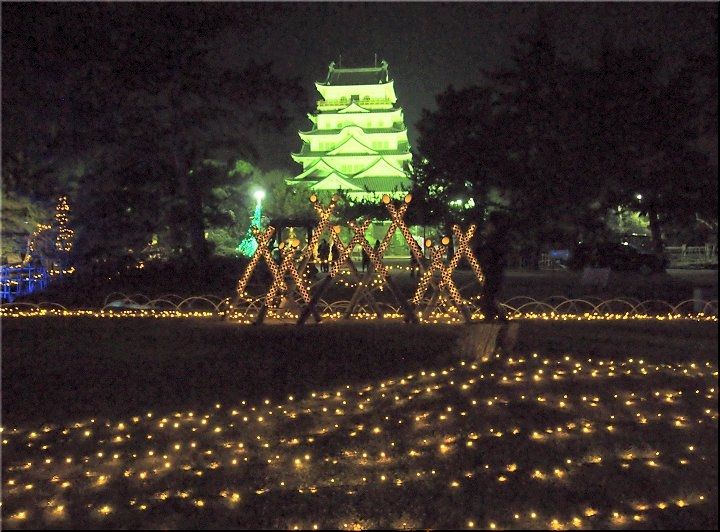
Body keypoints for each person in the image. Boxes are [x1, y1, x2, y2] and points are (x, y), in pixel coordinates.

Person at [478, 211, 509, 322]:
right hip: (493, 271)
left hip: (493, 271)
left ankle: (492, 316)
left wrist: (487, 262)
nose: (487, 227)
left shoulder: (494, 239)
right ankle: (496, 315)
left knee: (488, 295)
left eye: (489, 225)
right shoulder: (495, 238)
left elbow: (492, 254)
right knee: (489, 295)